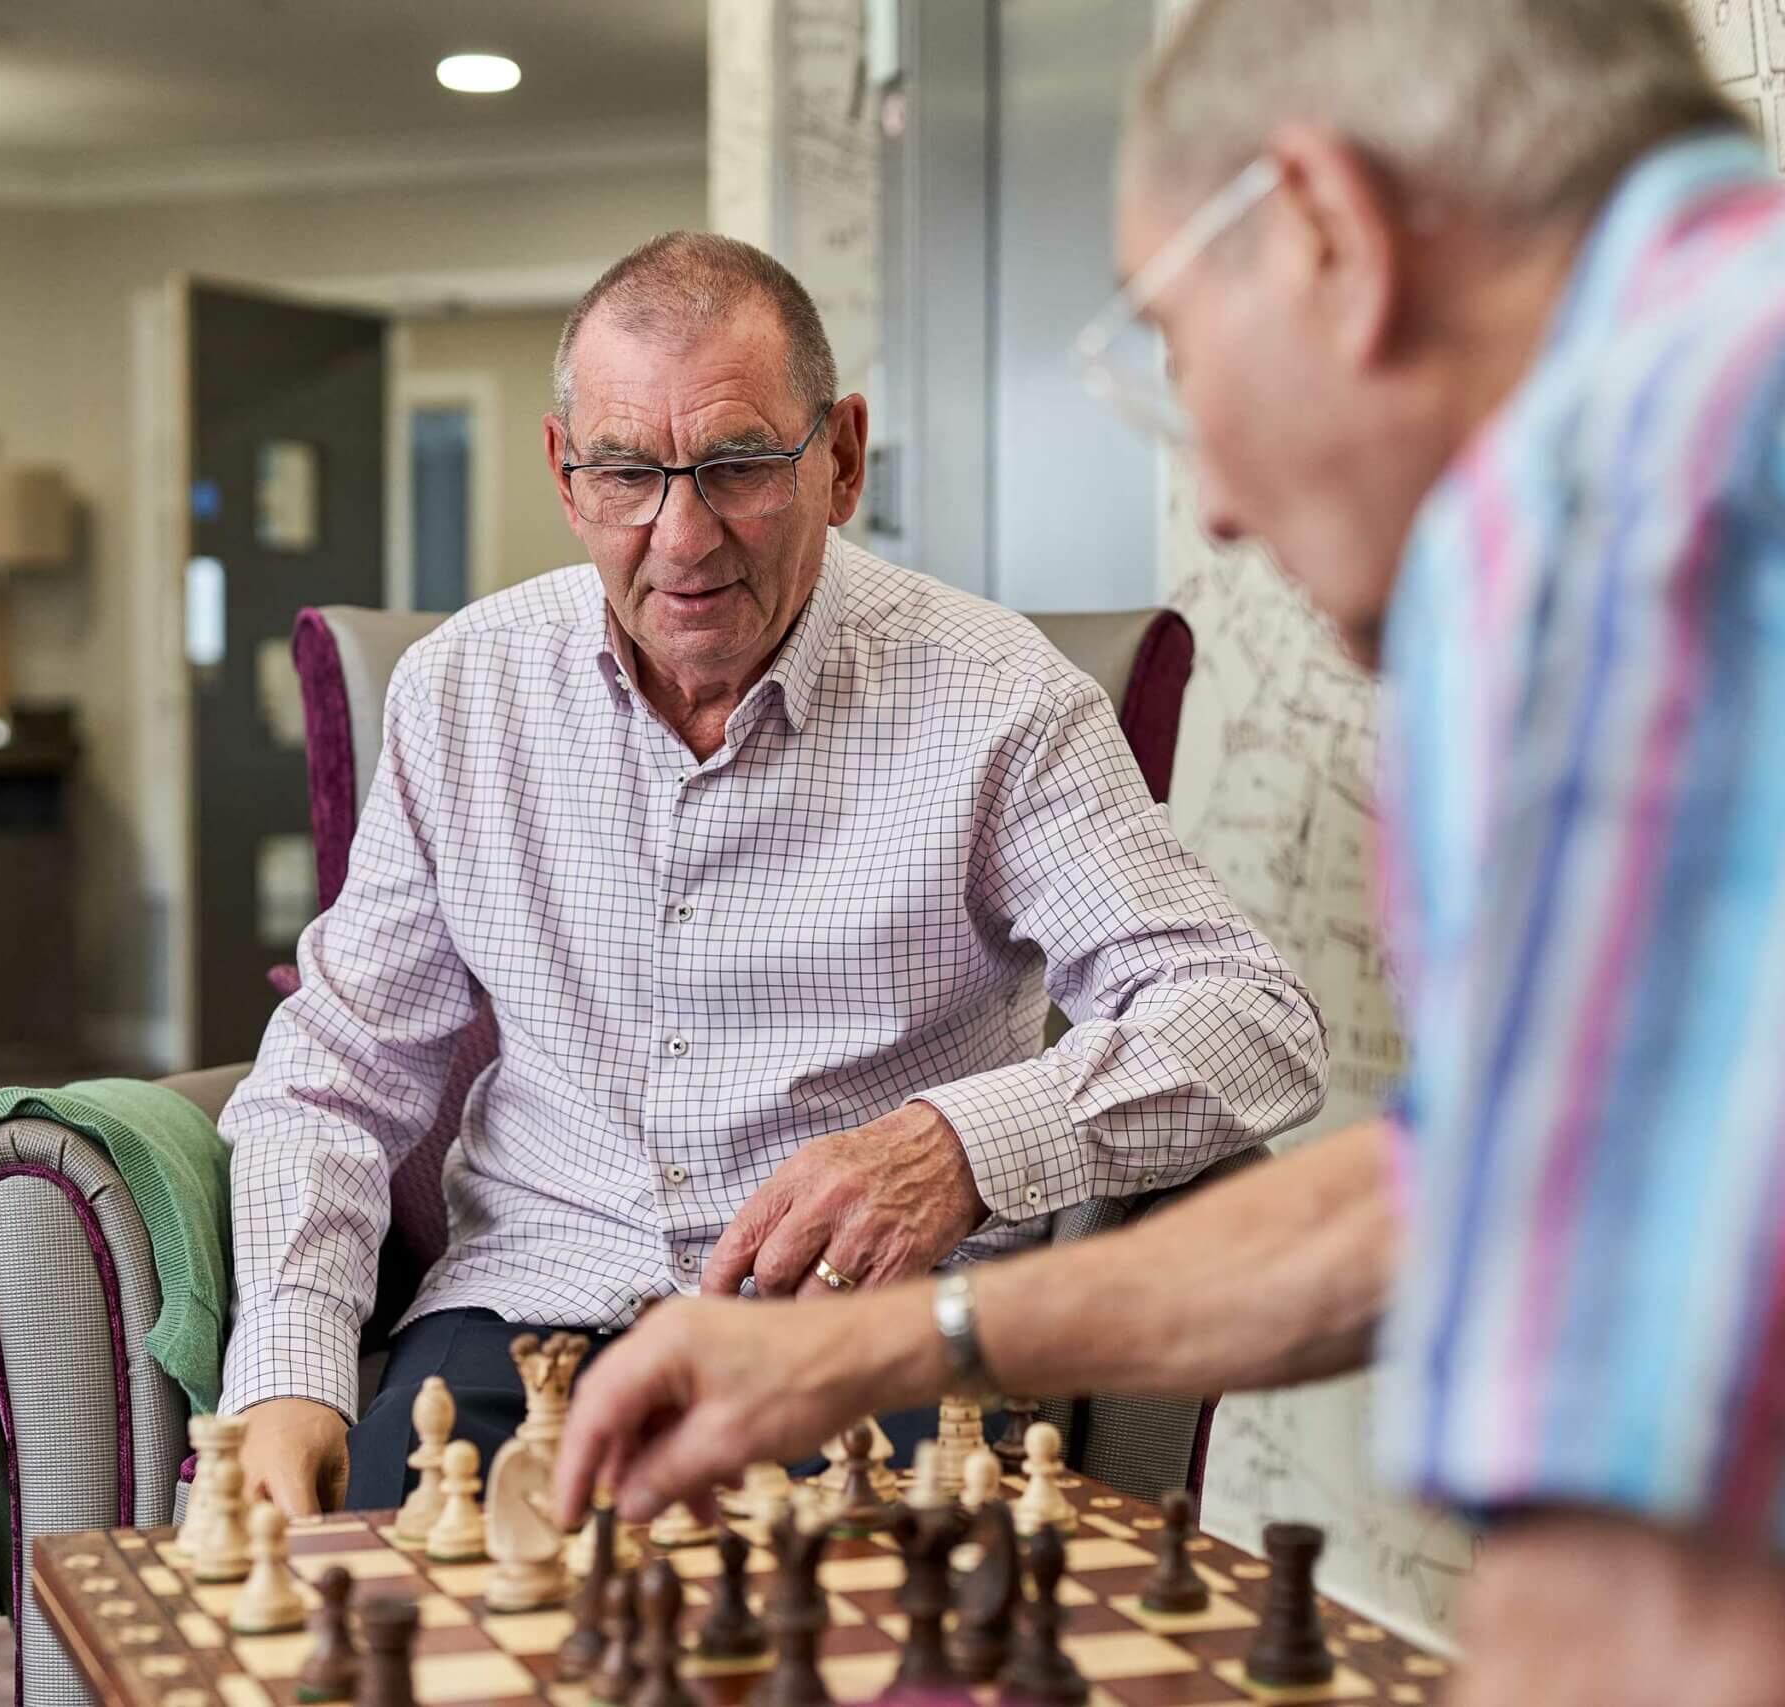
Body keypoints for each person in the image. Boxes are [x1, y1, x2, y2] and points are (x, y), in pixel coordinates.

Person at [550, 5, 1785, 1705]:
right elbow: (1484, 1178)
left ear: (1326, 231)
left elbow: (1672, 1631)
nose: (1222, 508)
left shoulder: (1642, 529)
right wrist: (897, 1341)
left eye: (1172, 342)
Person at [220, 232, 1330, 1517]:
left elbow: (1255, 1025)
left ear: (840, 458)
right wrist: (291, 1368)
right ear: (564, 474)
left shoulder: (1001, 702)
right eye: (629, 472)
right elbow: (336, 1071)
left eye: (739, 466)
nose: (681, 538)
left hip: (865, 1343)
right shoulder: (462, 691)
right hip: (519, 1310)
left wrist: (957, 1147)